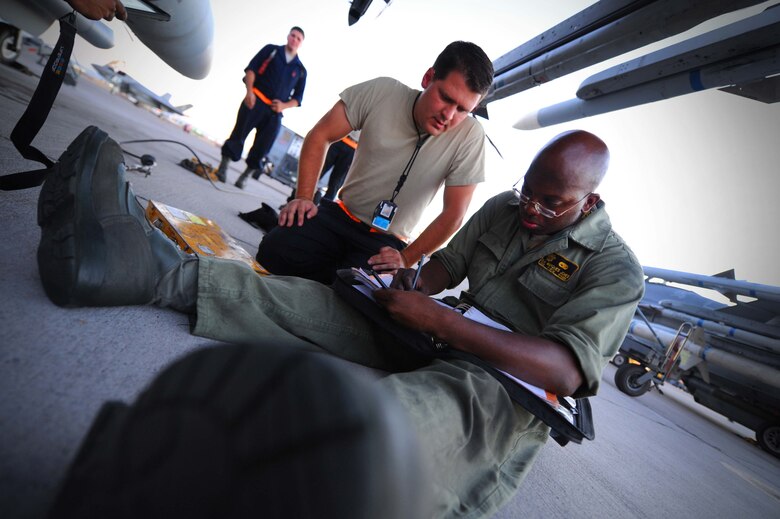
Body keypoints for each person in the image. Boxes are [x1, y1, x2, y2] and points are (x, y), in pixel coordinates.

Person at [36, 128, 645, 517]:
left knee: (395, 424)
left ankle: (264, 480)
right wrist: (406, 284)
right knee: (311, 303)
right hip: (439, 331)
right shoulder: (505, 209)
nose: (532, 211)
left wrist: (440, 320)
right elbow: (445, 268)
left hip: (505, 389)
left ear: (588, 201)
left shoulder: (617, 270)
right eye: (528, 193)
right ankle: (138, 266)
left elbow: (566, 368)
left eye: (552, 203)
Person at [255, 41, 493, 284]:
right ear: (428, 77)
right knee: (274, 249)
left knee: (362, 292)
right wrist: (304, 198)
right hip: (341, 214)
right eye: (445, 97)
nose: (449, 115)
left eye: (463, 109)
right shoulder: (383, 91)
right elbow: (321, 134)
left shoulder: (470, 137)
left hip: (387, 242)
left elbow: (454, 214)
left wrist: (405, 258)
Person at [214, 27, 307, 188]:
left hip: (274, 112)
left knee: (263, 147)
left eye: (298, 38)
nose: (294, 39)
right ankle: (223, 167)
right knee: (238, 134)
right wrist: (249, 92)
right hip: (254, 100)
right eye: (293, 35)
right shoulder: (271, 51)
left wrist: (283, 106)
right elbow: (251, 70)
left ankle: (244, 177)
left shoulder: (300, 70)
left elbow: (298, 98)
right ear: (288, 36)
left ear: (301, 43)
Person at [284, 130, 359, 204]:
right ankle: (292, 201)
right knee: (313, 173)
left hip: (353, 149)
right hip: (338, 139)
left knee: (335, 183)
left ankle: (323, 212)